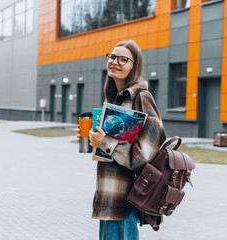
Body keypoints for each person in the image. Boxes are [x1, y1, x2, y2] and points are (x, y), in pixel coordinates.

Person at [78, 40, 166, 240]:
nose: (115, 62)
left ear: (135, 66)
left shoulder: (141, 98)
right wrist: (94, 139)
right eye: (112, 57)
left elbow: (144, 155)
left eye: (123, 59)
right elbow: (112, 150)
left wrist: (105, 142)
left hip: (124, 201)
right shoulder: (113, 98)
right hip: (109, 198)